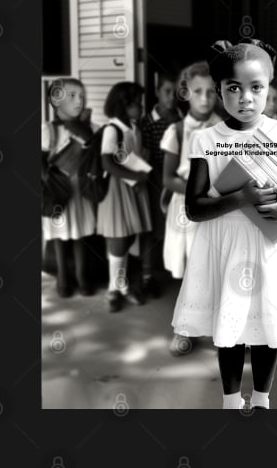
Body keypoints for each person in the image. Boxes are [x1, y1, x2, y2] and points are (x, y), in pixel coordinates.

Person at [171, 38, 277, 409]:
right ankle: (229, 401)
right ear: (221, 89)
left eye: (256, 88)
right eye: (233, 88)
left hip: (271, 248)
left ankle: (261, 399)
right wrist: (241, 198)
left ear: (268, 88)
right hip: (225, 246)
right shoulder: (206, 139)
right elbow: (193, 207)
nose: (245, 98)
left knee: (266, 329)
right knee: (231, 330)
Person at [160, 61, 223, 355]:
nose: (205, 98)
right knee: (191, 271)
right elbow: (168, 177)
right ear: (185, 93)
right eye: (197, 91)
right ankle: (184, 328)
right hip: (188, 207)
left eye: (211, 91)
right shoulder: (175, 131)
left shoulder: (225, 130)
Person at [96, 82, 153, 312]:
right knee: (118, 240)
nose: (141, 107)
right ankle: (114, 289)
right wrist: (135, 176)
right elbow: (106, 162)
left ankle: (121, 285)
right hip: (119, 189)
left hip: (133, 187)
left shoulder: (133, 126)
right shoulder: (113, 129)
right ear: (123, 105)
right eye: (136, 103)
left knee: (128, 237)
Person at [42, 78, 99, 297]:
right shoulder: (48, 130)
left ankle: (82, 275)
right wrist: (47, 176)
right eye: (72, 96)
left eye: (82, 96)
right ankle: (63, 276)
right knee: (59, 233)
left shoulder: (90, 128)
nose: (79, 101)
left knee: (79, 234)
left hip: (80, 188)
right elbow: (40, 160)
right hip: (58, 189)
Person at [139, 71, 183, 297]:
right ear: (157, 93)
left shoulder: (180, 118)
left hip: (177, 175)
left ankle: (173, 270)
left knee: (174, 225)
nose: (171, 97)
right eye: (166, 92)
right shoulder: (148, 121)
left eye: (174, 93)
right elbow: (144, 153)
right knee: (153, 225)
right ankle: (148, 274)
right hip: (155, 176)